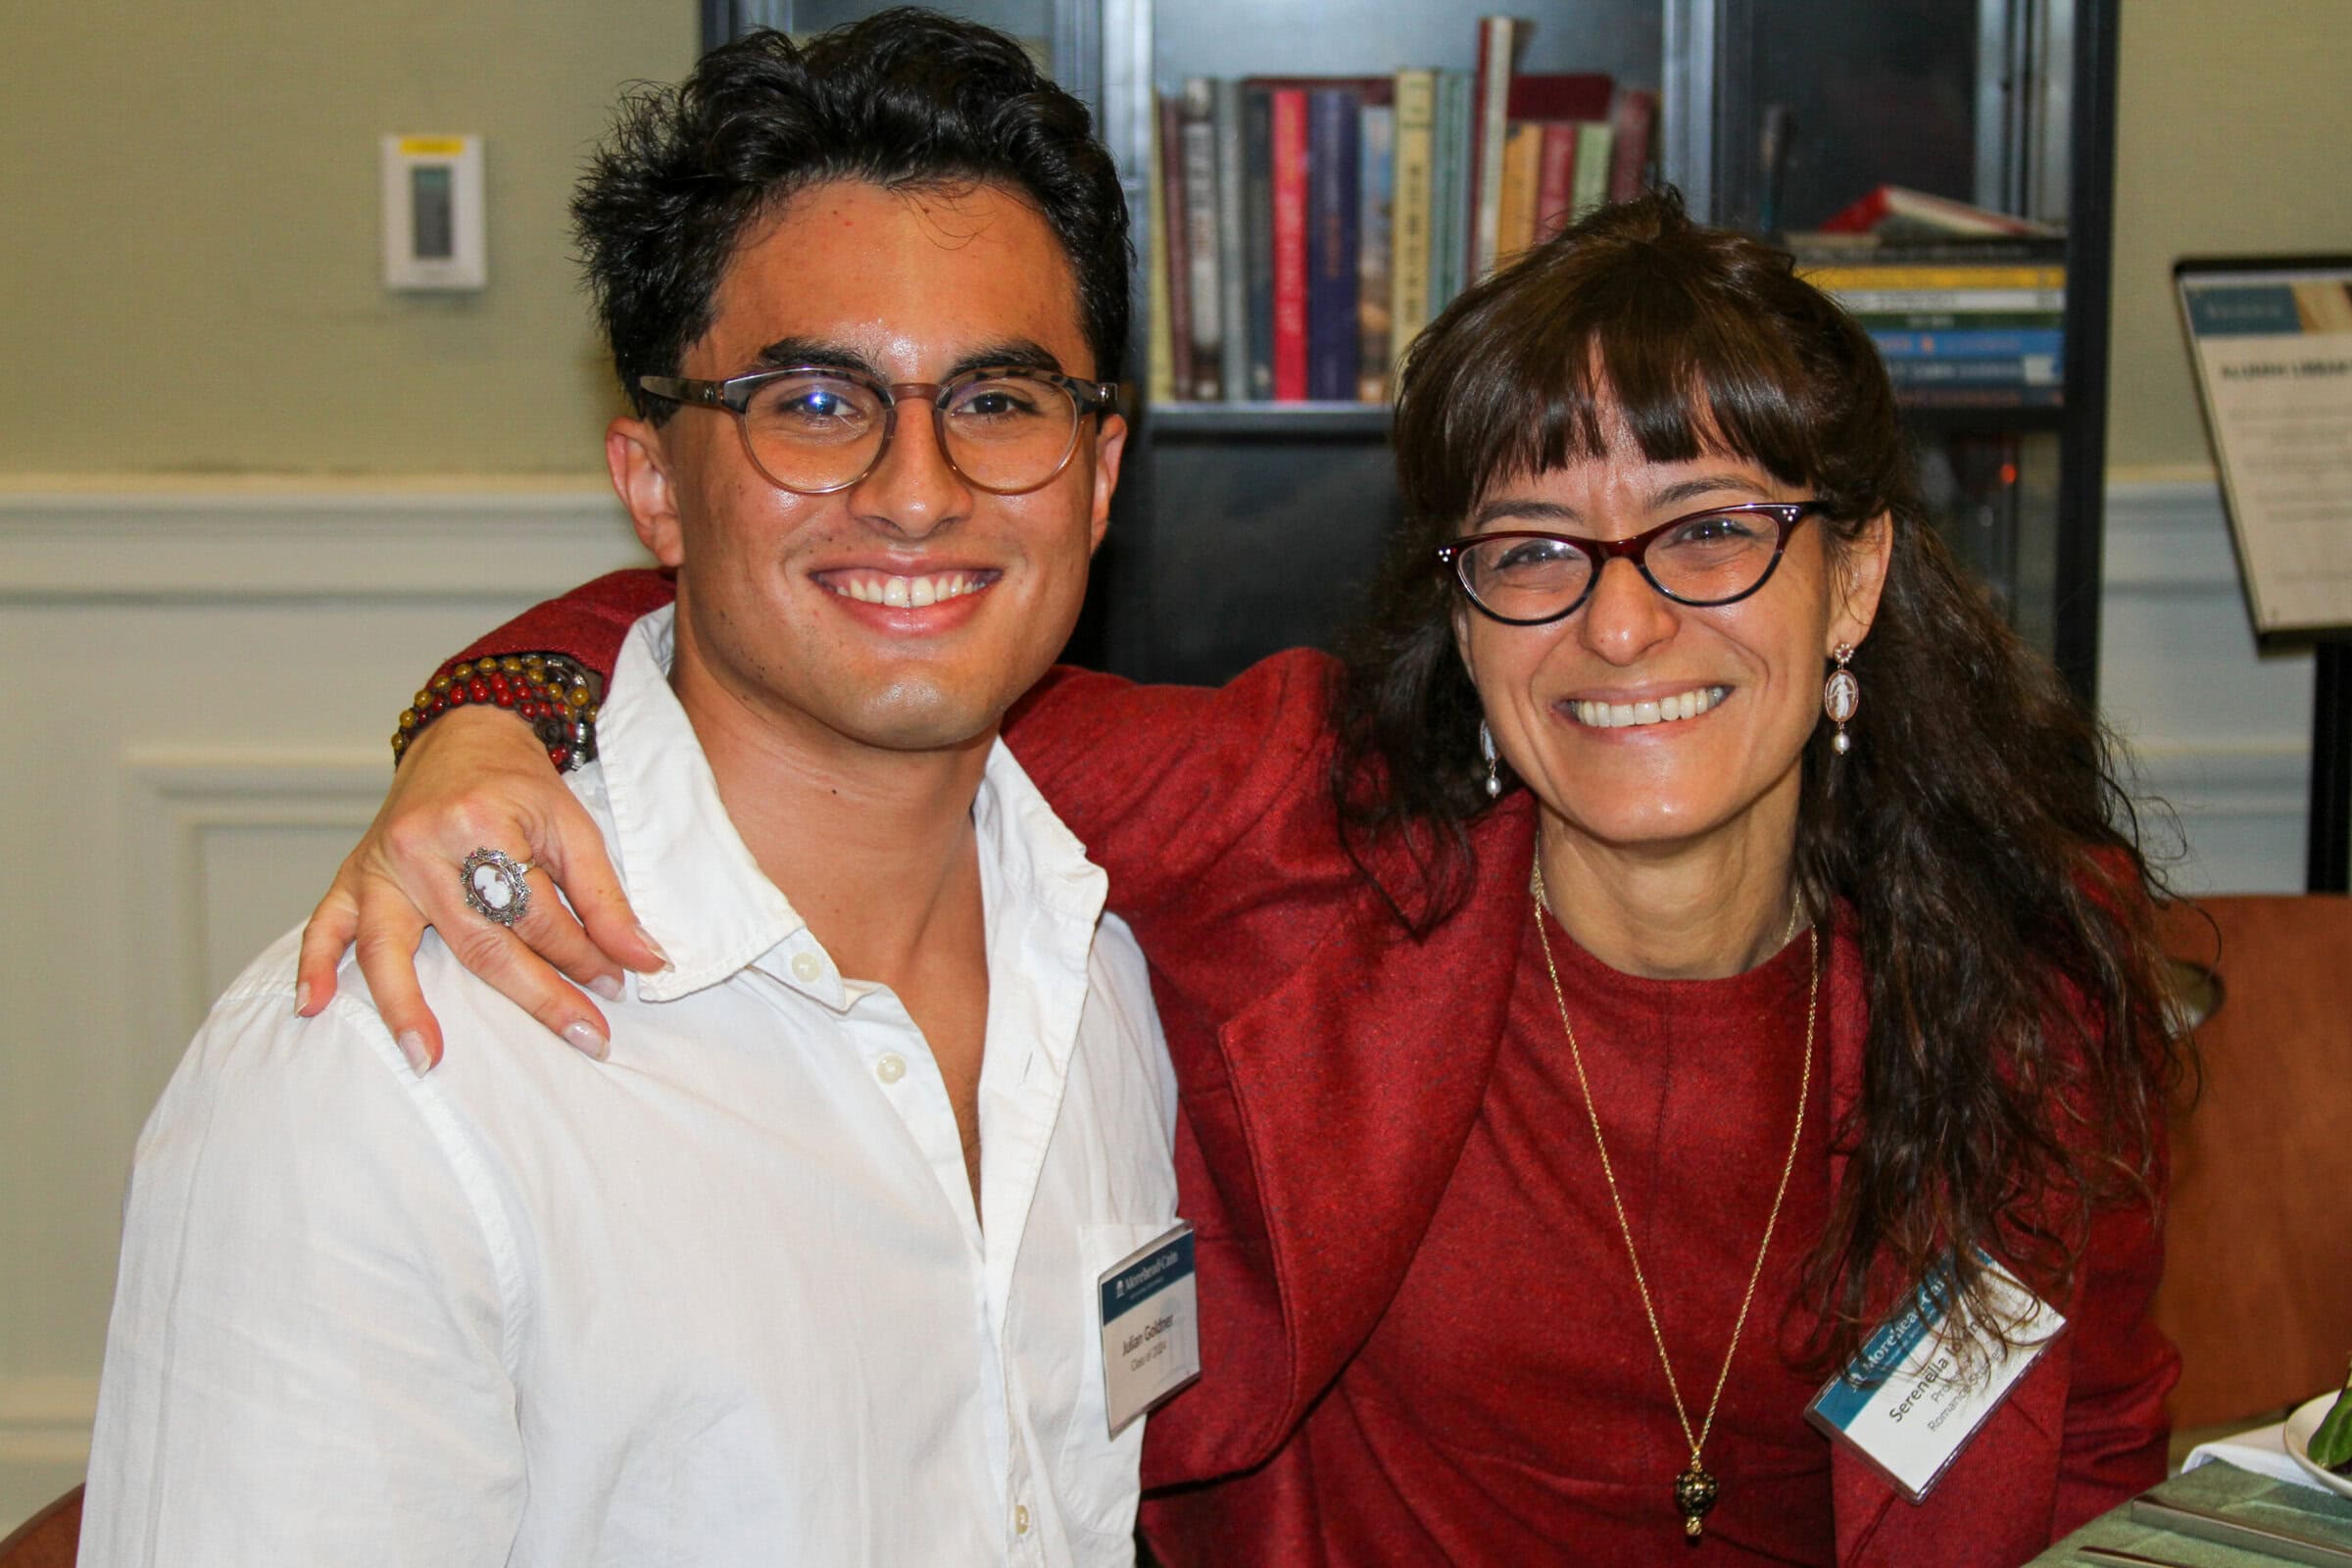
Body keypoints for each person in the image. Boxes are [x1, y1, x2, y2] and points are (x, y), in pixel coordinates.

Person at [301, 190, 2182, 1563]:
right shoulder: (1300, 824)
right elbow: (772, 624)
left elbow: (2085, 1444)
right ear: (1462, 612)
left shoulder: (2017, 979)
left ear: (1849, 581)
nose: (1621, 626)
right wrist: (484, 722)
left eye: (1708, 530)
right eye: (1532, 549)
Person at [79, 16, 1185, 1564]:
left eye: (1000, 402)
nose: (919, 491)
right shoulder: (389, 1077)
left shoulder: (1111, 977)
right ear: (653, 482)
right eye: (813, 405)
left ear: (1101, 476)